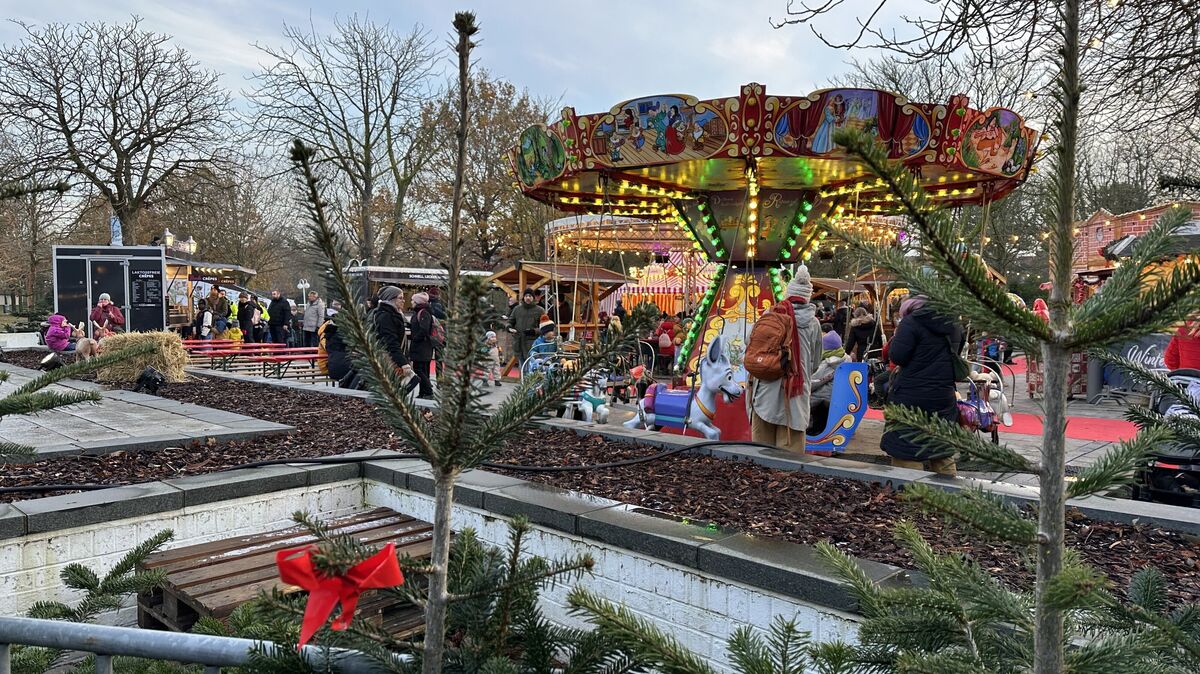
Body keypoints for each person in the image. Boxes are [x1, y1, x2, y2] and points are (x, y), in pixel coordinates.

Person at [880, 296, 963, 476]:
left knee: (907, 450)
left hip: (911, 394)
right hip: (943, 394)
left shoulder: (911, 323)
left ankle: (912, 496)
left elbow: (898, 357)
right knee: (941, 449)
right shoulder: (953, 323)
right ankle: (947, 496)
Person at [748, 265, 822, 454]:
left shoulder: (769, 315)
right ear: (807, 296)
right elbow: (814, 363)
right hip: (794, 396)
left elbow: (751, 346)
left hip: (765, 391)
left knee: (761, 452)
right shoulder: (813, 324)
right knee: (790, 459)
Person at [808, 324, 850, 433]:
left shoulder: (830, 362)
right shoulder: (844, 357)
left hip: (824, 396)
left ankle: (810, 430)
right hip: (837, 394)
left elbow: (814, 382)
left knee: (800, 401)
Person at [372, 285, 413, 378]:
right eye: (400, 298)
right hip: (389, 361)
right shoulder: (386, 316)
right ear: (391, 299)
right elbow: (391, 342)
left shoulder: (394, 314)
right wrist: (403, 362)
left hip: (392, 359)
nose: (403, 300)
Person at [407, 291, 437, 399]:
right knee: (424, 370)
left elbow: (424, 330)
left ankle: (428, 391)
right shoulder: (420, 312)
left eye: (413, 300)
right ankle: (424, 392)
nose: (411, 302)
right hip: (423, 346)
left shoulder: (423, 312)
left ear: (417, 302)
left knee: (418, 369)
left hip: (422, 347)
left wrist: (415, 339)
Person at [508, 289, 543, 368]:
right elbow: (510, 321)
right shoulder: (517, 309)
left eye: (530, 296)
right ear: (523, 297)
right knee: (522, 367)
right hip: (519, 342)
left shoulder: (540, 310)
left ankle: (530, 380)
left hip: (532, 344)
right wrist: (509, 328)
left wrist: (534, 331)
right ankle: (522, 380)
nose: (528, 298)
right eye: (526, 296)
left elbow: (545, 327)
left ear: (533, 298)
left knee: (532, 367)